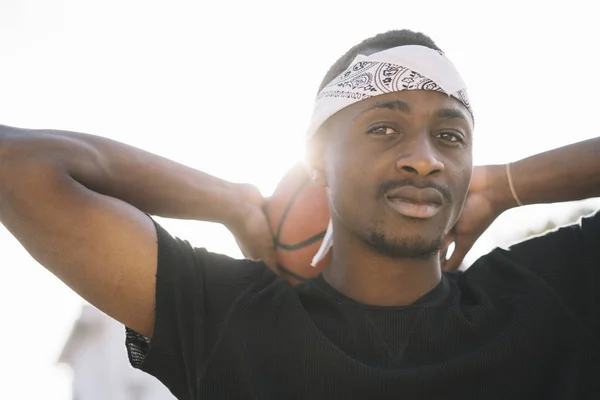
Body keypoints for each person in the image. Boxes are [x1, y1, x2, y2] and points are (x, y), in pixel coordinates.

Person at [1, 29, 599, 400]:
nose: (423, 160)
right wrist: (229, 200)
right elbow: (16, 164)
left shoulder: (548, 296)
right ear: (318, 159)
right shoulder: (229, 320)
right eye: (384, 128)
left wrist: (506, 184)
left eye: (450, 136)